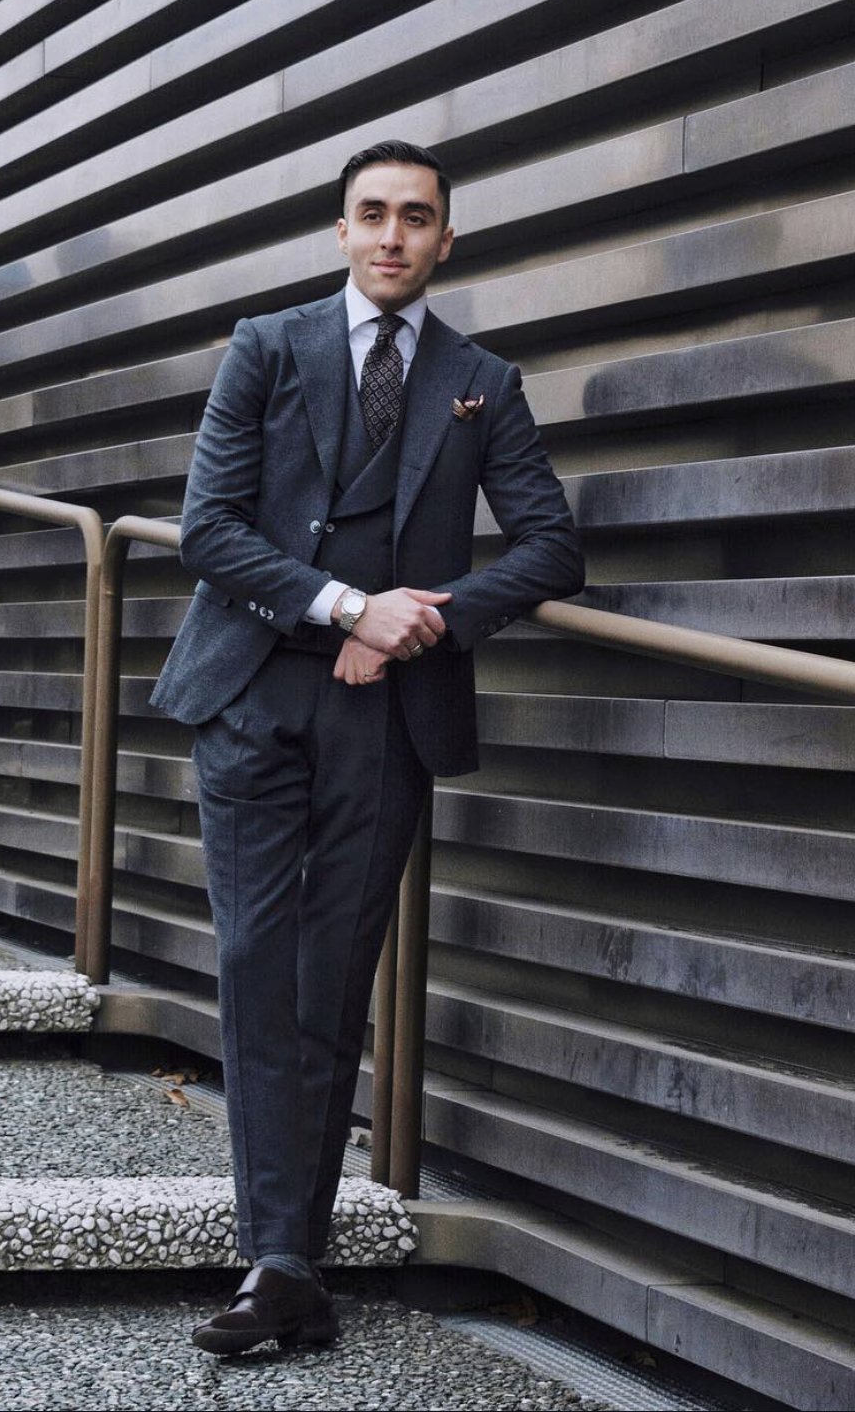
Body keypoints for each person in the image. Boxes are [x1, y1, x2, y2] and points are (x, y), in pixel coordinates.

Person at [151, 139, 584, 1355]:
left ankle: (287, 1262)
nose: (394, 235)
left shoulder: (482, 381)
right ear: (340, 230)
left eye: (417, 217)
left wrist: (418, 622)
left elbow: (552, 547)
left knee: (333, 974)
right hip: (251, 691)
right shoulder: (266, 346)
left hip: (383, 717)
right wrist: (348, 607)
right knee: (257, 960)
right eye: (373, 213)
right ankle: (277, 1256)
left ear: (448, 237)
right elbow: (207, 530)